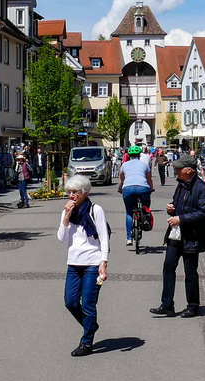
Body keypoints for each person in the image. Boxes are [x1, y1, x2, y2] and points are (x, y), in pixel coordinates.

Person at [151, 154, 205, 318]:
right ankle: (167, 304)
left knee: (190, 272)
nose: (176, 170)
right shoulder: (181, 185)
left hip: (192, 236)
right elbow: (179, 205)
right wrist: (171, 209)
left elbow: (203, 214)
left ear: (189, 170)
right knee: (168, 267)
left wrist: (181, 218)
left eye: (179, 168)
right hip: (176, 234)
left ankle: (193, 306)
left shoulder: (201, 189)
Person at [57, 174, 109, 356]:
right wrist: (66, 218)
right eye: (69, 192)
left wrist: (104, 262)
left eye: (75, 192)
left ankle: (86, 343)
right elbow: (62, 238)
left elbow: (103, 237)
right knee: (70, 302)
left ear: (84, 193)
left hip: (92, 264)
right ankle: (91, 325)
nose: (71, 196)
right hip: (73, 264)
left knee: (88, 304)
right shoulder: (67, 212)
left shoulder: (96, 210)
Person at [118, 144, 153, 246]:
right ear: (139, 155)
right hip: (143, 187)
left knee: (129, 212)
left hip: (128, 188)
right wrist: (151, 188)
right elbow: (149, 179)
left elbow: (122, 179)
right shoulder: (145, 164)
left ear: (129, 155)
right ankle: (144, 217)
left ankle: (129, 237)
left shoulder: (124, 165)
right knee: (146, 205)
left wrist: (120, 188)